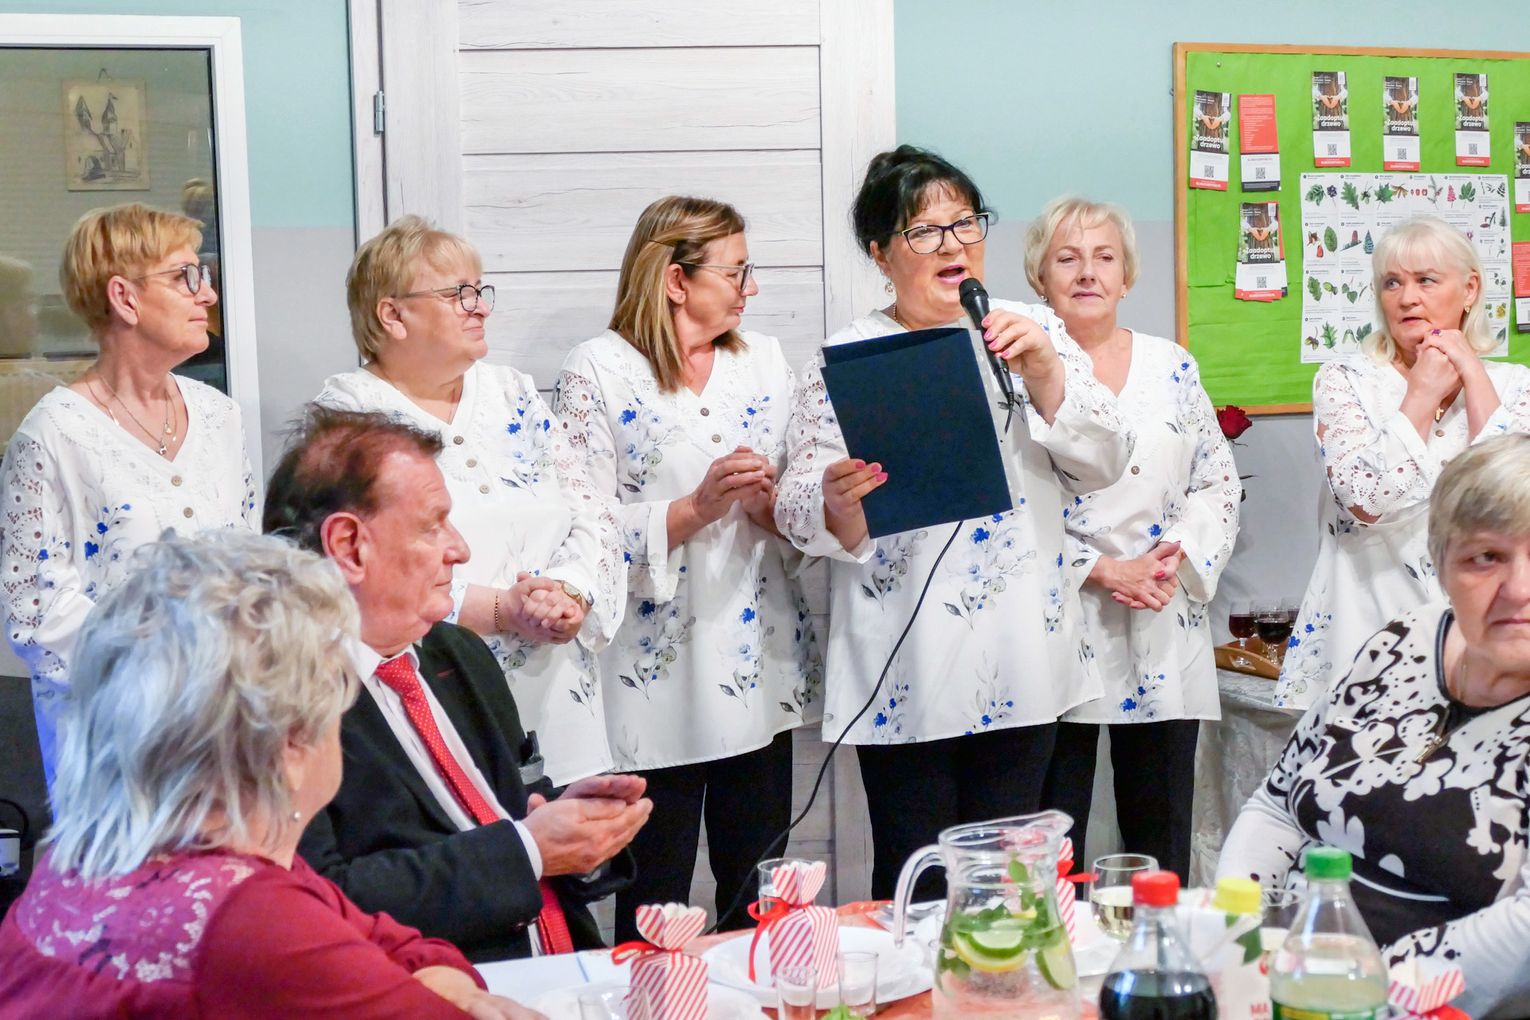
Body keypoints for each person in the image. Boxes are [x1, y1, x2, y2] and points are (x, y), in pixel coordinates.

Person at [775, 145, 1129, 897]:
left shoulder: (1031, 330)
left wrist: (1046, 372)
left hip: (1021, 650)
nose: (953, 245)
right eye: (924, 231)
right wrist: (835, 499)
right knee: (918, 875)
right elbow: (796, 500)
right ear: (881, 254)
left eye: (966, 223)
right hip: (905, 656)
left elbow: (1107, 459)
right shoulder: (848, 355)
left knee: (1010, 880)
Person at [0, 530, 540, 1018]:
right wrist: (452, 991)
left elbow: (394, 943)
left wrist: (446, 981)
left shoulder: (81, 861)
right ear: (292, 744)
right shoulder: (250, 920)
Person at [266, 406, 649, 962]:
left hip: (568, 969)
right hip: (444, 987)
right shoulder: (274, 702)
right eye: (432, 525)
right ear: (349, 546)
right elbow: (319, 903)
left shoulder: (458, 654)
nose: (460, 549)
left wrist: (581, 835)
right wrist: (528, 850)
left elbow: (515, 813)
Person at [554, 195, 823, 938]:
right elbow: (580, 527)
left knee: (759, 891)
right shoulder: (598, 370)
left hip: (758, 664)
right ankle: (653, 996)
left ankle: (765, 992)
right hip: (649, 678)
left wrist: (774, 503)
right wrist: (693, 508)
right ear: (676, 280)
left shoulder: (763, 361)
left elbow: (798, 508)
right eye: (736, 272)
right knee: (655, 897)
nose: (750, 288)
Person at [1218, 433, 1530, 1020]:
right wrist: (1243, 941)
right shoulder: (1404, 641)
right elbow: (1278, 806)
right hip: (1292, 982)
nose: (1518, 590)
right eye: (1485, 557)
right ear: (1441, 567)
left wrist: (1358, 992)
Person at [316, 215, 623, 785]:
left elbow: (592, 510)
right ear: (392, 315)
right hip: (439, 695)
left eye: (480, 291)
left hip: (561, 698)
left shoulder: (512, 391)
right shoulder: (350, 413)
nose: (479, 307)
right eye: (458, 294)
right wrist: (504, 610)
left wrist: (570, 592)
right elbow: (361, 565)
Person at [0, 203, 256, 787]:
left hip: (230, 726)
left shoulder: (219, 416)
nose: (208, 294)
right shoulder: (52, 436)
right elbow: (35, 614)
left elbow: (250, 557)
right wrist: (174, 669)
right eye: (186, 276)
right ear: (124, 297)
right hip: (120, 750)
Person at [1027, 196, 1240, 882]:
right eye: (1067, 258)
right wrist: (1099, 568)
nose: (1087, 272)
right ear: (1039, 276)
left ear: (1127, 275)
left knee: (1161, 835)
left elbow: (1217, 481)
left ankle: (1158, 946)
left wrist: (1170, 559)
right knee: (1052, 836)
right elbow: (1010, 505)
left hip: (1161, 610)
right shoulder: (1019, 369)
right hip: (1060, 616)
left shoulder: (1171, 364)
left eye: (1104, 257)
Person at [1277, 216, 1530, 710]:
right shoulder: (1345, 380)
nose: (1407, 298)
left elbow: (1511, 503)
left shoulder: (1515, 384)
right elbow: (1365, 501)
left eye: (1426, 280)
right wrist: (1422, 392)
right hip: (1367, 630)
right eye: (1392, 283)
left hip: (1489, 638)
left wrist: (1472, 373)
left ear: (1469, 289)